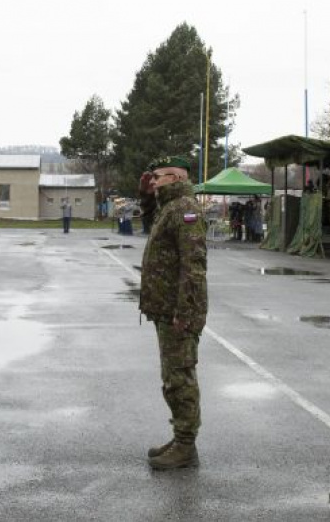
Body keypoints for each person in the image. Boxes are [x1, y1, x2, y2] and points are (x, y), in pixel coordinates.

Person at [139, 155, 208, 469]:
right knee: (172, 377)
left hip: (178, 311)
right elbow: (149, 221)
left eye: (158, 176)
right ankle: (181, 438)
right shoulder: (169, 207)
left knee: (180, 378)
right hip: (166, 308)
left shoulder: (185, 209)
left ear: (177, 178)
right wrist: (145, 195)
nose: (153, 181)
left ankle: (185, 446)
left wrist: (185, 311)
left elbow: (193, 266)